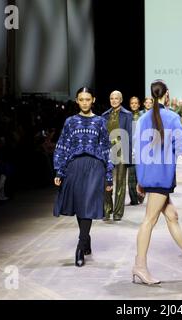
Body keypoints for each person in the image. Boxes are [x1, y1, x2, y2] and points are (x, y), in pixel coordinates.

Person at [132, 80, 182, 285]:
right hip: (160, 177)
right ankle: (139, 267)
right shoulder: (172, 117)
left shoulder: (142, 119)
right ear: (166, 95)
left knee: (172, 216)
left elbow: (138, 153)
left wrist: (141, 179)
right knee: (149, 221)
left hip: (150, 176)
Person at [53, 87, 114, 267]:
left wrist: (108, 176)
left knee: (87, 204)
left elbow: (106, 148)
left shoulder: (100, 122)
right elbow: (63, 146)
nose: (85, 102)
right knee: (80, 204)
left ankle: (80, 247)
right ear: (77, 101)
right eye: (81, 99)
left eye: (88, 99)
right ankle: (86, 238)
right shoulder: (70, 122)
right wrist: (59, 170)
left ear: (93, 100)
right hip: (75, 166)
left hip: (95, 167)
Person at [102, 91, 133, 221]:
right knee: (106, 182)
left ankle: (118, 213)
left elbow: (130, 136)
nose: (114, 100)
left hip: (121, 151)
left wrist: (130, 156)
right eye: (111, 98)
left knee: (120, 183)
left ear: (121, 100)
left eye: (116, 98)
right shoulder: (104, 115)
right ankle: (107, 210)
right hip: (107, 151)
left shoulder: (127, 115)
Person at [128, 97, 145, 206]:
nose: (134, 105)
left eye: (136, 103)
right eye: (132, 103)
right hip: (130, 148)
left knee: (140, 173)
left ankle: (141, 195)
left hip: (142, 148)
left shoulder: (143, 117)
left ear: (139, 105)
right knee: (131, 174)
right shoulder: (127, 117)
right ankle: (133, 199)